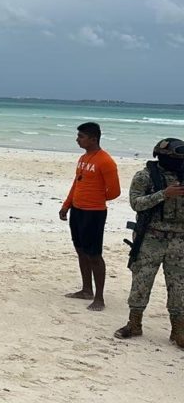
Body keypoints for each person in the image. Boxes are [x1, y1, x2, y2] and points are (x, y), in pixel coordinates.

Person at [114, 138, 184, 346]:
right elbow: (136, 203)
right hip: (151, 238)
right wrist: (164, 194)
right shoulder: (145, 177)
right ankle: (134, 324)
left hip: (179, 240)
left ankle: (178, 331)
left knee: (179, 287)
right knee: (141, 283)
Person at [59, 122, 121, 312]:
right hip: (77, 210)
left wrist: (94, 198)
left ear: (93, 139)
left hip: (94, 213)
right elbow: (76, 184)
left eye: (81, 136)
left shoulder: (105, 161)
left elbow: (115, 192)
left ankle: (99, 297)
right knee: (80, 250)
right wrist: (66, 205)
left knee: (94, 254)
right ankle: (86, 290)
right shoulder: (84, 158)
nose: (77, 139)